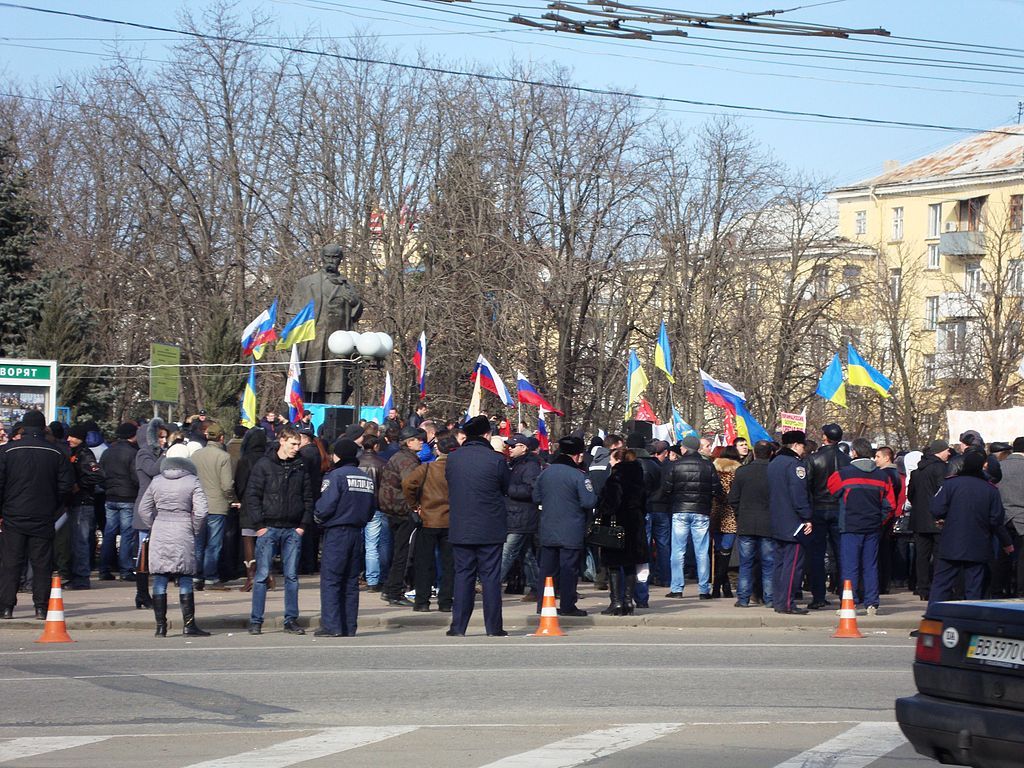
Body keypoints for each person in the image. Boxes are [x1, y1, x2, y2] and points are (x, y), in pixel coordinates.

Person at [0, 410, 75, 620]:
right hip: (43, 515)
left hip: (13, 514)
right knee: (42, 563)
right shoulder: (56, 452)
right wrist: (53, 506)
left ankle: (6, 607)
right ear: (43, 428)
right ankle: (41, 607)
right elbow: (65, 485)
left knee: (10, 563)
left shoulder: (7, 452)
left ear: (23, 427)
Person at [445, 415, 511, 637]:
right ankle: (493, 627)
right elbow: (506, 487)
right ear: (487, 435)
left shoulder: (453, 459)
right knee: (490, 578)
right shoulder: (497, 459)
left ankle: (458, 626)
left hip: (461, 525)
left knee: (463, 576)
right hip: (490, 527)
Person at [245, 426, 313, 635]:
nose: (296, 448)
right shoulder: (264, 465)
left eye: (298, 444)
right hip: (269, 527)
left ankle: (290, 619)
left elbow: (308, 497)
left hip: (292, 528)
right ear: (282, 441)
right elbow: (252, 496)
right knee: (262, 576)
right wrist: (260, 526)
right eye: (293, 444)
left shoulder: (301, 466)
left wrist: (302, 525)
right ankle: (256, 620)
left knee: (291, 576)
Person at [136, 453, 210, 637]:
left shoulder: (157, 481)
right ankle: (189, 625)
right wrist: (195, 528)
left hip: (160, 527)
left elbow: (143, 509)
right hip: (183, 528)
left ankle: (161, 627)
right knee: (185, 576)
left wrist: (154, 523)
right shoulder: (193, 481)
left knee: (160, 577)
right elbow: (201, 512)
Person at [930, 451, 1013, 604]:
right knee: (974, 587)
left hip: (951, 542)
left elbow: (936, 509)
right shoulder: (990, 489)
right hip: (978, 543)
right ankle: (971, 622)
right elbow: (996, 519)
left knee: (941, 584)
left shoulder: (950, 484)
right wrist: (1007, 542)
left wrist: (947, 518)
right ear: (982, 467)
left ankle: (933, 620)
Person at [314, 439, 375, 636]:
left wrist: (318, 516)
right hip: (357, 532)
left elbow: (325, 506)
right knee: (350, 582)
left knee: (331, 580)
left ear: (337, 455)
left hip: (337, 532)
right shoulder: (365, 478)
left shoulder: (335, 476)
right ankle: (349, 626)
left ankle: (331, 626)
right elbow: (371, 509)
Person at [827, 438, 895, 615]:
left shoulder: (843, 474)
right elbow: (890, 505)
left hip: (850, 525)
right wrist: (878, 520)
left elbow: (832, 489)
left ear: (854, 453)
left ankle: (850, 602)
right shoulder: (883, 476)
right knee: (870, 565)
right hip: (872, 526)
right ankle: (872, 603)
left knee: (850, 566)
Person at [533, 436, 598, 617]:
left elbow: (535, 497)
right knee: (569, 569)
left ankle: (544, 604)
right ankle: (568, 605)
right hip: (571, 529)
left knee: (547, 571)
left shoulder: (545, 473)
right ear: (577, 456)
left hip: (547, 528)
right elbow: (589, 501)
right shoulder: (579, 476)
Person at [661, 434, 724, 600]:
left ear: (685, 448)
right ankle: (704, 590)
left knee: (678, 550)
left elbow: (666, 490)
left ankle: (677, 588)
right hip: (701, 511)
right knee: (702, 551)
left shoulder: (676, 465)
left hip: (680, 510)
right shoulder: (708, 466)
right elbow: (717, 490)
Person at [402, 435, 459, 612]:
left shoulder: (427, 468)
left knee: (424, 562)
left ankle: (422, 601)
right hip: (451, 520)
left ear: (437, 450)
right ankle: (446, 601)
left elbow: (408, 483)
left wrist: (415, 506)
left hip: (428, 519)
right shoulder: (458, 470)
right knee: (449, 564)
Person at [594, 448, 648, 616]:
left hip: (617, 525)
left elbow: (610, 504)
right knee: (631, 564)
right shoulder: (639, 477)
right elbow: (645, 503)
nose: (609, 462)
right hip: (635, 523)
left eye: (611, 459)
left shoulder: (616, 477)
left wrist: (601, 509)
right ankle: (628, 601)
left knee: (614, 564)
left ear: (618, 460)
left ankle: (616, 602)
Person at [803, 423, 850, 610]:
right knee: (841, 554)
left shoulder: (814, 459)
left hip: (819, 509)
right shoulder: (847, 460)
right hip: (840, 508)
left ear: (825, 437)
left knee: (817, 554)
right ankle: (844, 593)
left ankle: (818, 595)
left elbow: (806, 486)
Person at [377, 426, 425, 607]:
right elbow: (410, 484)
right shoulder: (407, 460)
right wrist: (416, 506)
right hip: (403, 510)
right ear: (409, 442)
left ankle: (390, 588)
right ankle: (395, 591)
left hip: (393, 509)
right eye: (418, 439)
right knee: (403, 553)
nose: (421, 441)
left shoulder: (399, 456)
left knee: (398, 551)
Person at [769, 430, 813, 615]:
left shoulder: (774, 463)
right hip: (793, 522)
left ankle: (778, 600)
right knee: (792, 565)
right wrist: (807, 517)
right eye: (802, 446)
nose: (804, 450)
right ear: (795, 445)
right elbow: (799, 495)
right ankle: (787, 602)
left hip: (777, 520)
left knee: (779, 564)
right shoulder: (795, 465)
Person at [729, 439, 775, 608]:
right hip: (768, 523)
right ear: (771, 453)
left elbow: (733, 498)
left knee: (746, 563)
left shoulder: (742, 472)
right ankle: (769, 598)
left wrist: (740, 514)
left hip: (746, 523)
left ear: (754, 453)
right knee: (768, 563)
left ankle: (743, 598)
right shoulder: (774, 471)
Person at [191, 422, 236, 589]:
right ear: (222, 438)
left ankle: (196, 576)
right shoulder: (223, 457)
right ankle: (210, 577)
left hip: (198, 504)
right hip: (217, 505)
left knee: (198, 542)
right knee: (214, 543)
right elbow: (227, 485)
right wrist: (231, 499)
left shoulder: (196, 455)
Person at [908, 440, 951, 602]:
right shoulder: (941, 468)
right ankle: (938, 587)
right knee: (939, 555)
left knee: (921, 556)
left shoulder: (917, 471)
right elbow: (943, 493)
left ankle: (922, 588)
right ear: (940, 451)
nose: (949, 453)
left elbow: (910, 494)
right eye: (947, 450)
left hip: (919, 519)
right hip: (937, 519)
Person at [500, 434, 541, 601]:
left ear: (523, 448)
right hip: (515, 515)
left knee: (508, 551)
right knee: (526, 554)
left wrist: (508, 489)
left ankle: (490, 582)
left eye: (513, 446)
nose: (509, 448)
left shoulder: (530, 466)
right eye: (508, 446)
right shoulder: (514, 465)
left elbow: (532, 490)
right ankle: (538, 586)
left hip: (523, 516)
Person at [133, 418, 168, 609]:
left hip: (157, 509)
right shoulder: (143, 454)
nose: (163, 441)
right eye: (159, 437)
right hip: (146, 510)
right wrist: (166, 455)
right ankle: (142, 594)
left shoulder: (154, 453)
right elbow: (153, 470)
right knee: (143, 554)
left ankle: (151, 594)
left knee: (154, 555)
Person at [98, 422, 140, 582]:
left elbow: (100, 474)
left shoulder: (108, 452)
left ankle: (104, 569)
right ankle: (125, 569)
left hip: (110, 496)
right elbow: (136, 477)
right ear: (131, 435)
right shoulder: (133, 453)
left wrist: (107, 487)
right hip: (128, 498)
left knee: (109, 534)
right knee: (127, 535)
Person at [234, 427, 268, 592]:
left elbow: (240, 484)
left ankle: (251, 576)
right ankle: (267, 574)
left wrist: (241, 498)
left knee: (248, 538)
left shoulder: (245, 460)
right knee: (266, 539)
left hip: (248, 501)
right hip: (267, 502)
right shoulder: (269, 458)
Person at [359, 434, 391, 593]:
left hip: (359, 508)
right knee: (379, 544)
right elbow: (386, 488)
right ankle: (378, 578)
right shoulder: (382, 464)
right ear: (376, 446)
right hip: (378, 507)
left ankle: (371, 577)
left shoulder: (357, 462)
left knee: (367, 545)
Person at [710, 445, 742, 599]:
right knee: (726, 551)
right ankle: (719, 586)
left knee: (719, 551)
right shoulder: (737, 472)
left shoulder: (714, 469)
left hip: (715, 513)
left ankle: (723, 586)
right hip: (730, 514)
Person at [998, 437, 1024, 597]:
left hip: (1002, 518)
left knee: (1001, 557)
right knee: (1022, 559)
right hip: (1022, 518)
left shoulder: (999, 466)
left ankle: (998, 589)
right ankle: (1021, 591)